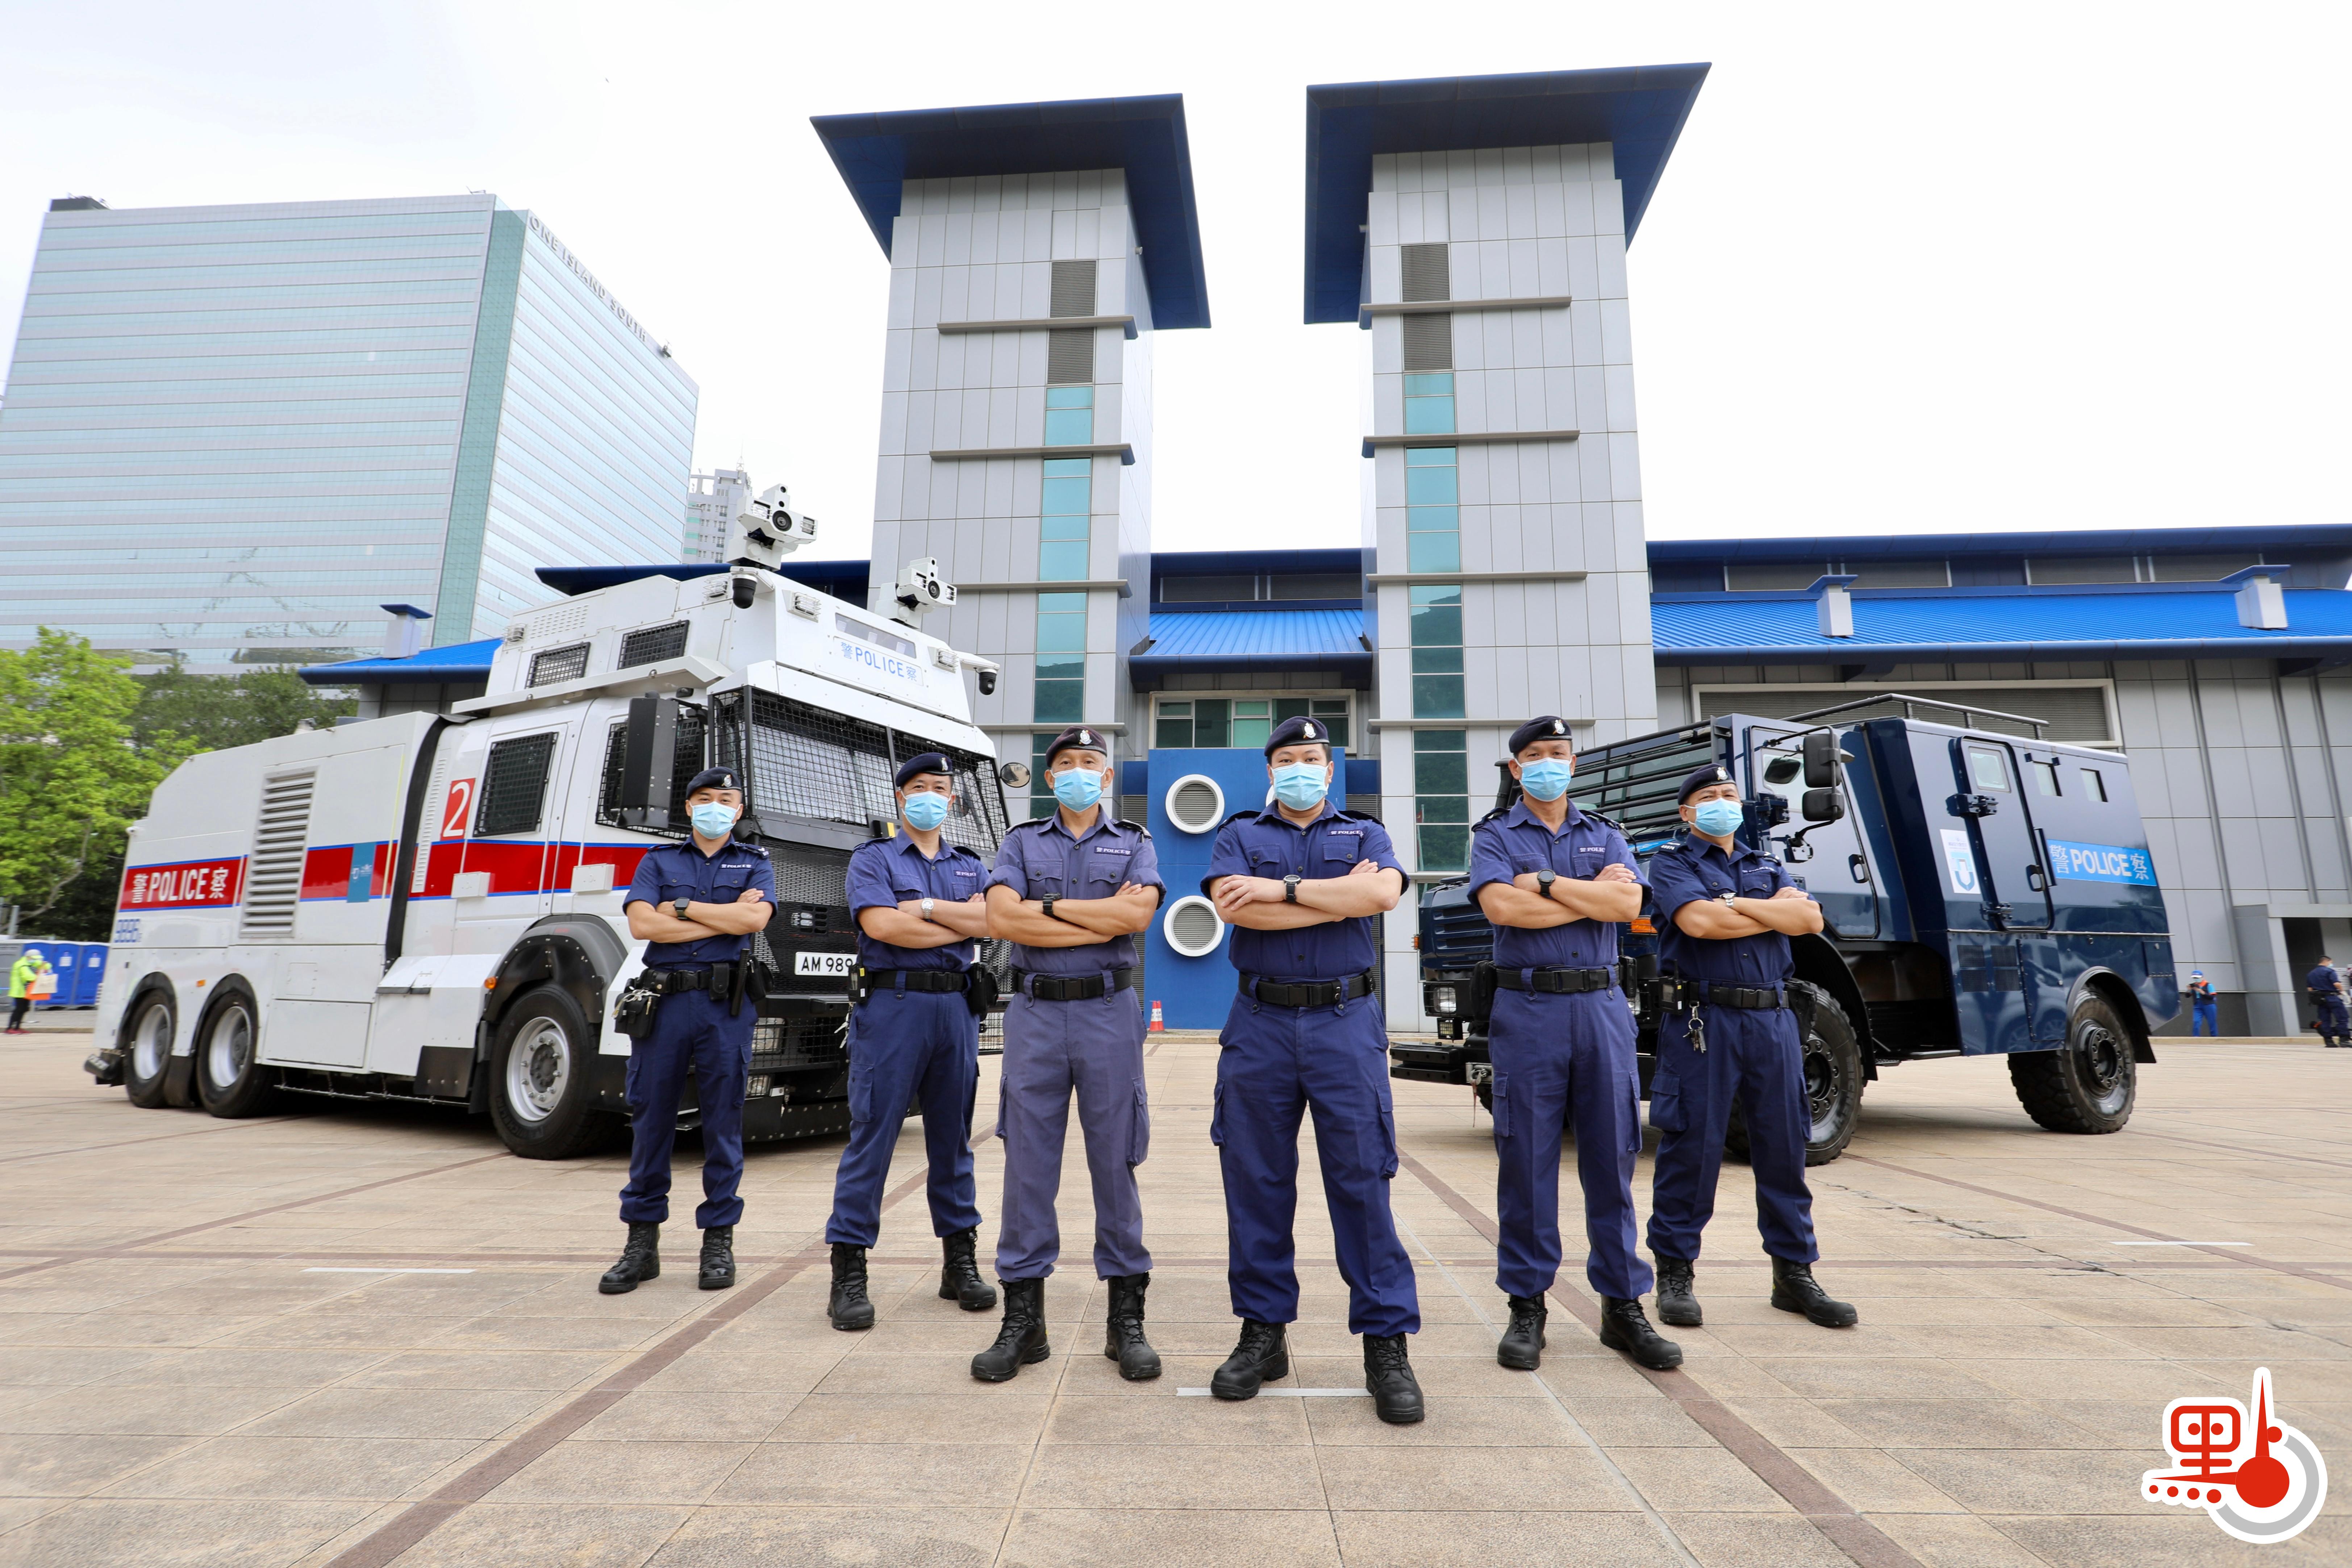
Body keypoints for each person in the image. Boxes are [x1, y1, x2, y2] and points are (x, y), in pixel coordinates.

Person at [1202, 716, 1424, 1424]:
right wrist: (1328, 896)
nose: (1301, 767)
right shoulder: (1241, 833)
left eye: (1313, 758)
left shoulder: (1365, 832)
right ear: (1271, 771)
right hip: (1259, 1023)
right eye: (1287, 758)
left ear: (1331, 771)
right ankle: (1263, 1334)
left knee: (1362, 1181)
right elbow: (1235, 911)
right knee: (1258, 1182)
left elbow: (1382, 896)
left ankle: (1386, 1344)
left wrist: (1278, 892)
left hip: (1344, 1022)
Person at [1468, 718, 1680, 1372]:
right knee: (1525, 1160)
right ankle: (1527, 1306)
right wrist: (1593, 896)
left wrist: (1549, 885)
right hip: (1527, 1008)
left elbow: (1630, 908)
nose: (1546, 765)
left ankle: (1623, 1307)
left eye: (1556, 755)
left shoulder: (1606, 832)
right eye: (1533, 757)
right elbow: (1504, 910)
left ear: (1573, 761)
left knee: (1611, 1158)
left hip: (1601, 1008)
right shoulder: (1495, 835)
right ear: (1514, 769)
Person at [972, 726, 1165, 1383]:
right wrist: (1097, 911)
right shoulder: (1020, 841)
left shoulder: (1134, 841)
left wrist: (1045, 906)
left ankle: (1125, 1320)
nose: (1079, 771)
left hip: (1108, 1011)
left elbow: (1135, 919)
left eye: (1090, 762)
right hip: (1033, 1011)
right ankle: (1023, 1321)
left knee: (1115, 1158)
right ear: (1050, 778)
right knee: (1027, 1162)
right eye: (1066, 764)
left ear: (1105, 777)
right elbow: (1001, 918)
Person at [1643, 764, 1857, 1332]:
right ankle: (1675, 1271)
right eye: (1709, 797)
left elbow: (1808, 918)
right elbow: (1697, 924)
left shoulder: (1765, 862)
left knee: (1786, 1149)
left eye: (1729, 794)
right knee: (1693, 1147)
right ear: (1686, 812)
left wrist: (1733, 905)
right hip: (1703, 1019)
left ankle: (1794, 1274)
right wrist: (1766, 912)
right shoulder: (1672, 862)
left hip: (1773, 1020)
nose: (1721, 803)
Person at [823, 754, 998, 1331]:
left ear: (953, 799)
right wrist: (959, 922)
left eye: (940, 788)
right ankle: (849, 1270)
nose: (930, 795)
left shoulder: (972, 865)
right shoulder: (872, 859)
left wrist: (925, 912)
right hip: (892, 1006)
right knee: (873, 1135)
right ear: (901, 799)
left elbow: (992, 924)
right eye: (918, 787)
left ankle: (960, 1262)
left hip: (955, 1007)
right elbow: (882, 926)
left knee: (953, 1141)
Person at [602, 768, 776, 1295]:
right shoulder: (658, 860)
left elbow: (755, 923)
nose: (715, 807)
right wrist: (724, 915)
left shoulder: (756, 863)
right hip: (666, 1003)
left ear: (739, 810)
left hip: (726, 1006)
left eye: (726, 800)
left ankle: (718, 1242)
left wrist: (679, 908)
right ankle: (641, 1243)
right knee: (652, 1119)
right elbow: (643, 926)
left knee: (723, 1122)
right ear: (689, 806)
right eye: (705, 799)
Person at [2307, 957, 2348, 1049]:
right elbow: (2337, 984)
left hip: (2320, 1000)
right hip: (2332, 997)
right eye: (2331, 962)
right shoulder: (2329, 971)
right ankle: (2344, 1040)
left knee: (2325, 1020)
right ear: (2326, 961)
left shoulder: (2311, 974)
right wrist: (2343, 992)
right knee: (2342, 1018)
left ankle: (2329, 1041)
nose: (2331, 964)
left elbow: (2310, 989)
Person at [7, 947, 50, 1033]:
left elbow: (48, 966)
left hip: (26, 991)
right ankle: (10, 1028)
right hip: (19, 991)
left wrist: (44, 964)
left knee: (25, 1009)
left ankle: (18, 1027)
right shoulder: (21, 965)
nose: (35, 961)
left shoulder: (30, 962)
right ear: (29, 957)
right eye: (34, 959)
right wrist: (40, 977)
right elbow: (29, 977)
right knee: (19, 1009)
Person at [2185, 971, 2219, 1038]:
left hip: (2209, 1005)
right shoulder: (2194, 986)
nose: (2196, 979)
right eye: (2194, 978)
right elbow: (2187, 996)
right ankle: (2196, 1037)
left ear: (2202, 977)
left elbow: (2212, 997)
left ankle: (2214, 1037)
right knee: (2196, 1021)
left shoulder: (2208, 985)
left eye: (2198, 978)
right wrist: (2189, 990)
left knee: (2212, 1022)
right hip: (2198, 1005)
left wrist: (2202, 992)